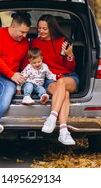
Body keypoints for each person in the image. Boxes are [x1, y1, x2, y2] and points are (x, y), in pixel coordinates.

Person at [30, 14, 79, 145]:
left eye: (44, 29)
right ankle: (63, 131)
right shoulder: (35, 43)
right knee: (65, 94)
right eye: (39, 28)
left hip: (69, 77)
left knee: (62, 82)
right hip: (50, 79)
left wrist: (70, 56)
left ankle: (52, 117)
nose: (41, 31)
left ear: (52, 28)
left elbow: (70, 67)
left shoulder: (64, 42)